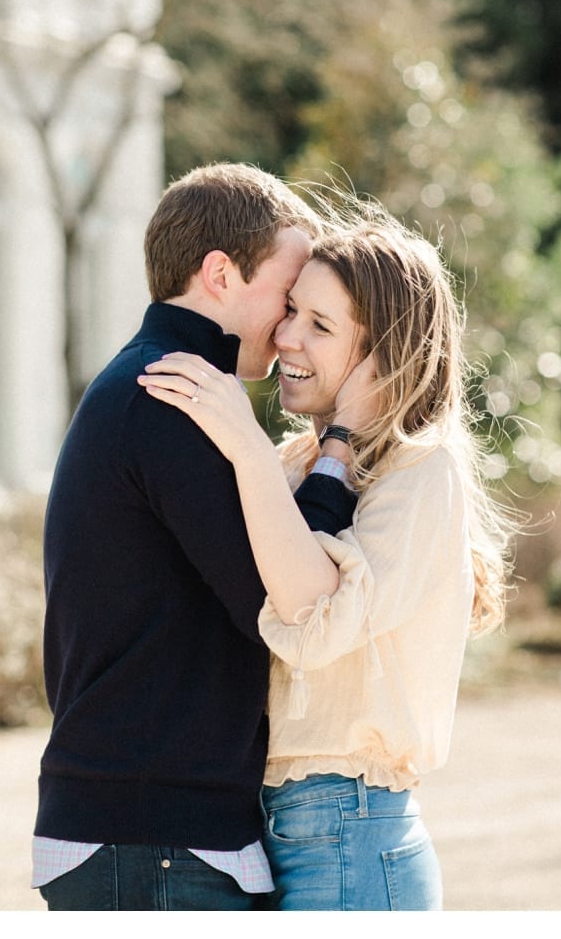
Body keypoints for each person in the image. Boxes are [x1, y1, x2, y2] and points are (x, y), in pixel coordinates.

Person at [138, 193, 520, 910]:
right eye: (290, 311)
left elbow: (314, 619)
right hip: (270, 829)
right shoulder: (293, 463)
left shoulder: (420, 472)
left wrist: (249, 450)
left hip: (353, 829)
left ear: (384, 355)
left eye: (319, 324)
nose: (286, 337)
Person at [32, 163, 360, 911]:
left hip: (149, 835)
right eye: (285, 296)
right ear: (220, 273)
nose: (287, 329)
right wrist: (340, 450)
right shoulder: (172, 397)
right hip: (151, 843)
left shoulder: (155, 385)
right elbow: (282, 594)